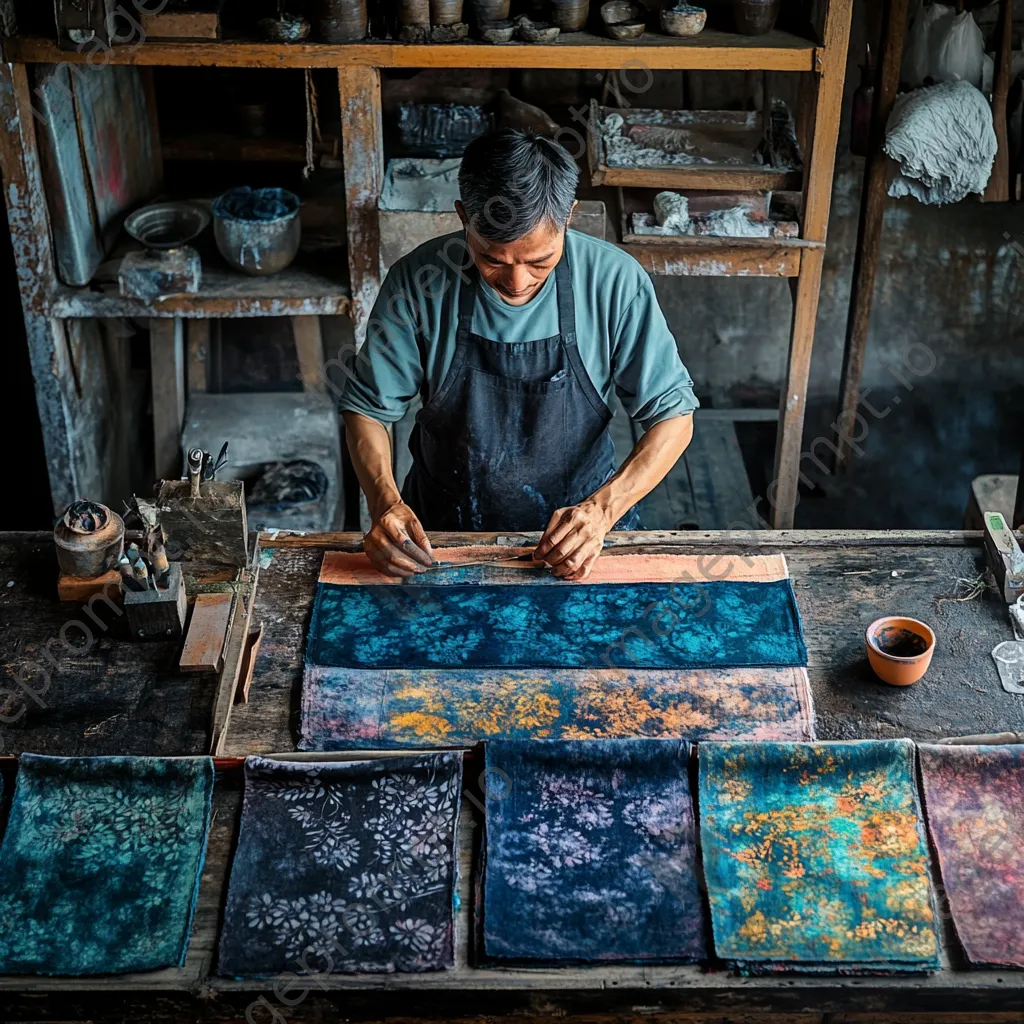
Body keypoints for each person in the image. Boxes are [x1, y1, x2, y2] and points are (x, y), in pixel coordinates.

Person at [341, 128, 698, 581]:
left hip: (582, 539)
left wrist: (603, 511)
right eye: (492, 259)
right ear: (463, 217)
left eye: (539, 262)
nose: (516, 282)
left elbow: (674, 417)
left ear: (568, 217)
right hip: (442, 539)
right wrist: (384, 503)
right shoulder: (419, 281)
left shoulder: (614, 281)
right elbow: (367, 409)